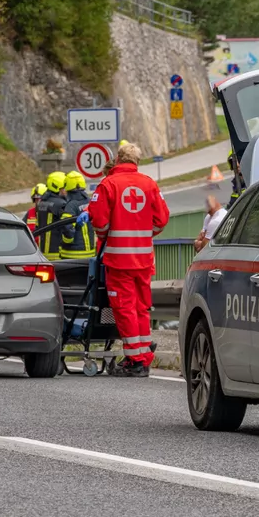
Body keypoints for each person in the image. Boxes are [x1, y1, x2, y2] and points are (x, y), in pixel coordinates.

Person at [84, 142, 169, 377]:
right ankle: (144, 356)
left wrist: (108, 237)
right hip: (143, 259)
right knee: (142, 308)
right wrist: (143, 233)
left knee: (124, 308)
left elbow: (99, 222)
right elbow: (161, 220)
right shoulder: (150, 184)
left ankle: (135, 360)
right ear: (137, 162)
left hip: (118, 260)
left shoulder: (108, 184)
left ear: (119, 159)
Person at [59, 172, 95, 259]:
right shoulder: (90, 202)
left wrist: (66, 243)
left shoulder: (71, 205)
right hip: (90, 252)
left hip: (72, 255)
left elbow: (67, 229)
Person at [36, 172, 68, 260]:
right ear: (57, 187)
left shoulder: (41, 203)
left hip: (42, 251)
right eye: (64, 187)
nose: (66, 190)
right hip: (57, 252)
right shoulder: (61, 204)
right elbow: (67, 228)